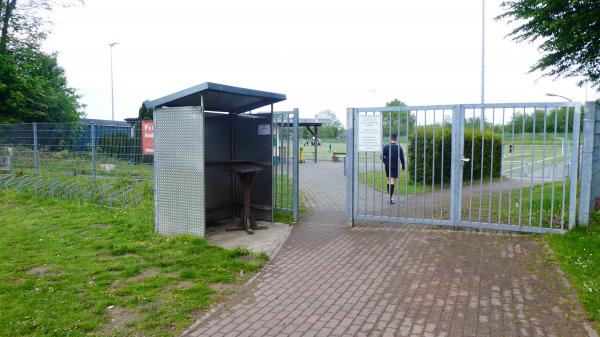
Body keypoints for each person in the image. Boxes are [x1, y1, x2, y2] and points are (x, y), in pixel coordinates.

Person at [382, 133, 405, 204]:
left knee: (388, 179)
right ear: (396, 139)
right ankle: (390, 198)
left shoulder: (385, 147)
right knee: (392, 180)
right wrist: (403, 166)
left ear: (390, 138)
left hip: (387, 166)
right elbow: (402, 158)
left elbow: (382, 157)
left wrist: (385, 163)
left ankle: (389, 197)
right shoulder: (399, 147)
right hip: (395, 166)